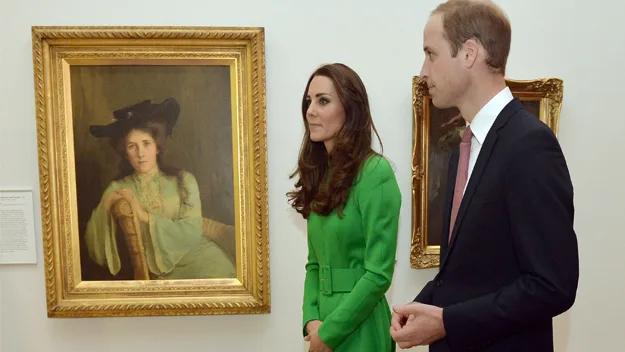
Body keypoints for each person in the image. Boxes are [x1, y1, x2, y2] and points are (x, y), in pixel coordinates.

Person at [390, 1, 579, 351]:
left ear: (469, 53)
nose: (422, 71)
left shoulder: (530, 145)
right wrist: (422, 305)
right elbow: (469, 271)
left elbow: (553, 286)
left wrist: (447, 323)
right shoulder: (462, 150)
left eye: (431, 54)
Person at [287, 63, 402, 352]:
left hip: (359, 325)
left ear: (350, 109)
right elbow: (314, 264)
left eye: (323, 101)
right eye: (308, 101)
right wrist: (311, 319)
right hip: (323, 326)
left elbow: (378, 274)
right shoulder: (321, 176)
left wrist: (330, 333)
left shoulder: (376, 173)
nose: (310, 110)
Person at [84, 97, 236, 280]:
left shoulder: (184, 180)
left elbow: (192, 230)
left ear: (157, 147)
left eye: (146, 144)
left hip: (203, 257)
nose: (140, 154)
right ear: (125, 153)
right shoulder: (120, 188)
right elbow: (93, 243)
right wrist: (107, 202)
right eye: (132, 146)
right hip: (162, 271)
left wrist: (144, 216)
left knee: (224, 274)